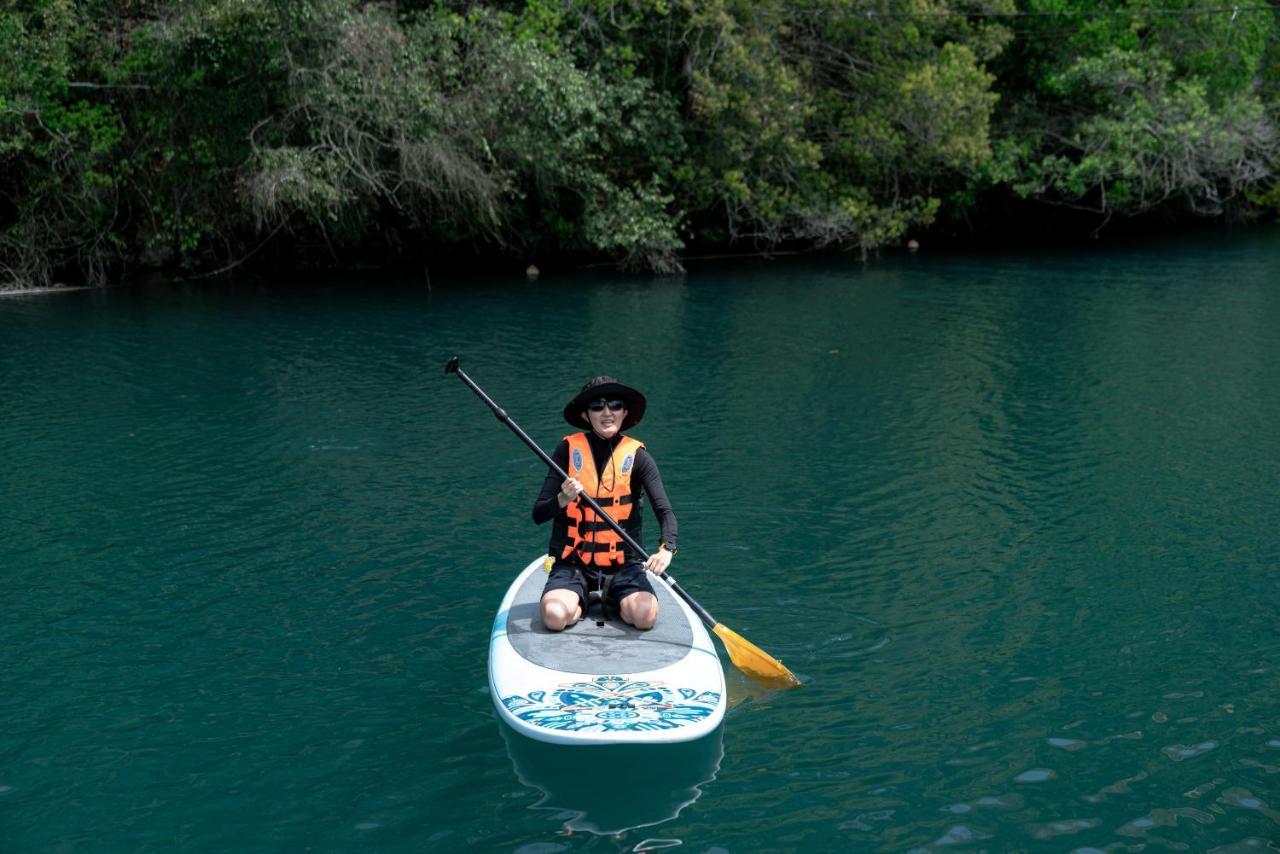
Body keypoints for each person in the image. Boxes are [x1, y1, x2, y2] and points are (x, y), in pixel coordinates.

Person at [532, 375, 678, 632]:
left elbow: (664, 511)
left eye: (614, 405)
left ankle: (613, 596)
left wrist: (667, 548)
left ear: (625, 412)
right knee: (554, 617)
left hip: (624, 564)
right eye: (597, 406)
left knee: (645, 617)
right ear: (586, 415)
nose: (607, 412)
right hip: (574, 563)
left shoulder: (639, 457)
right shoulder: (567, 451)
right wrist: (562, 499)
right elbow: (539, 513)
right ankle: (582, 601)